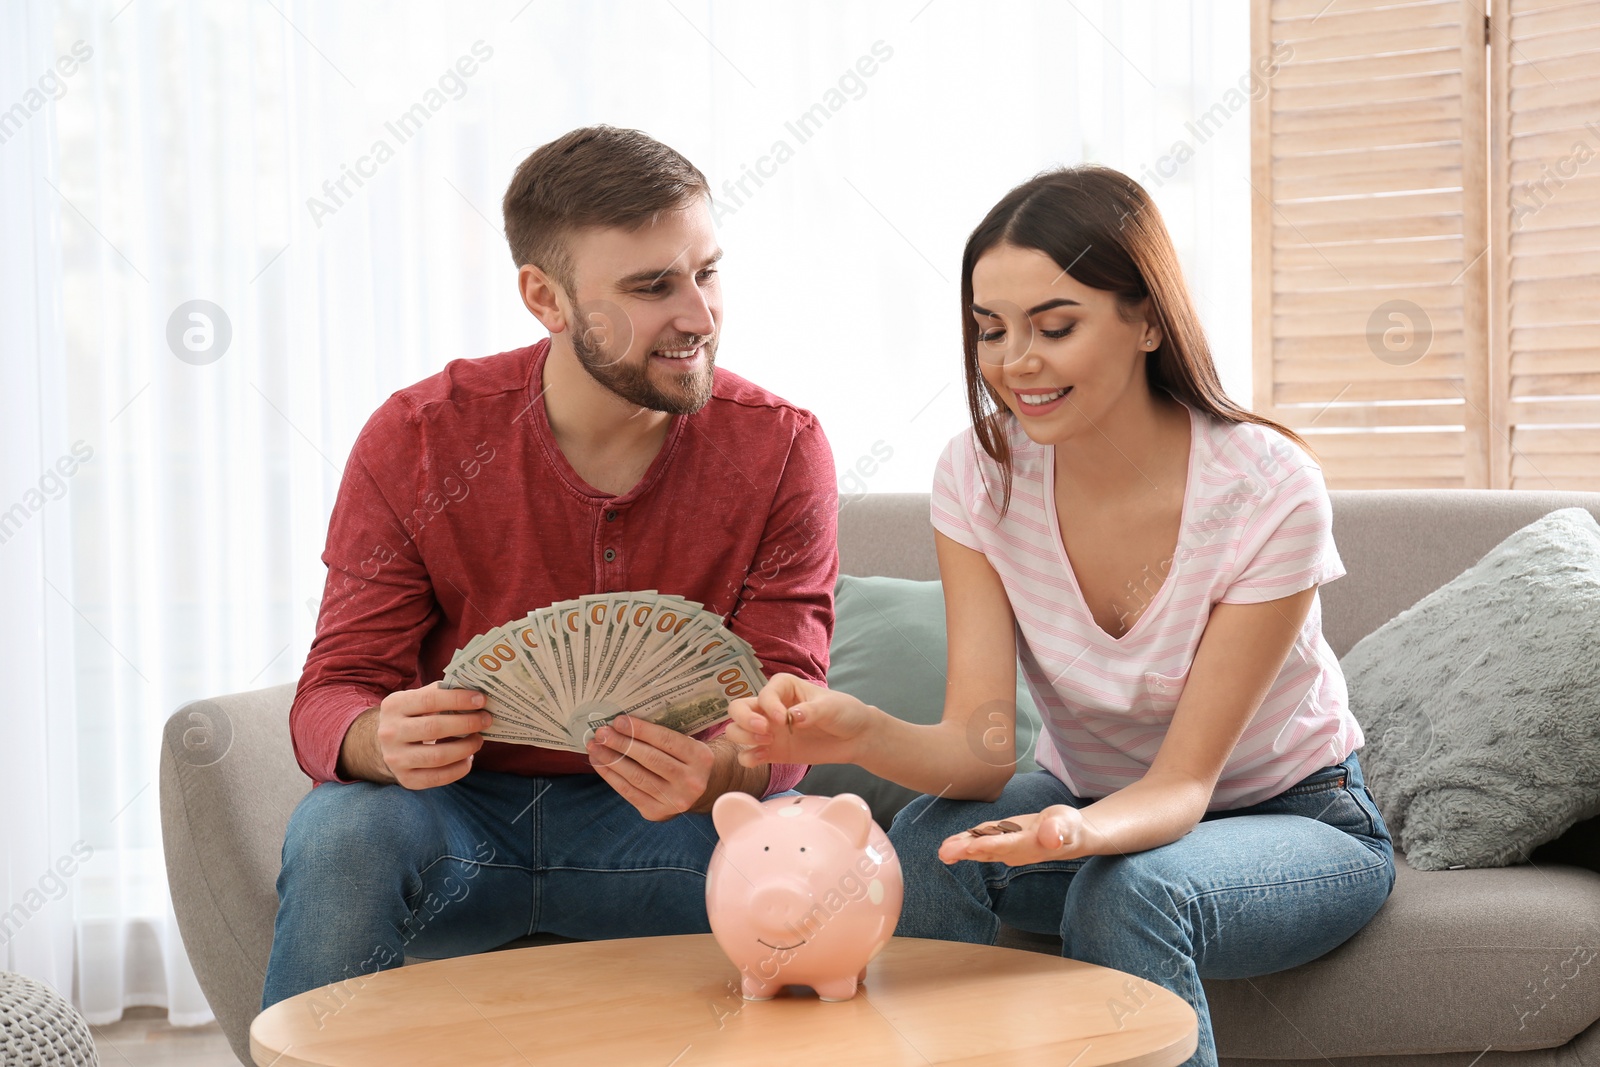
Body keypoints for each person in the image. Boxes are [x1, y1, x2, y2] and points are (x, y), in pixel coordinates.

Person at [726, 165, 1393, 1067]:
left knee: (1128, 891)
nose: (1014, 362)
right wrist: (864, 730)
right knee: (926, 841)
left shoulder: (1269, 488)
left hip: (1296, 818)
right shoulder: (979, 475)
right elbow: (981, 747)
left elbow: (1182, 788)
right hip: (1082, 805)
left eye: (1056, 325)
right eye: (991, 330)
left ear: (1148, 319)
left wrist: (1079, 834)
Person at [263, 126, 837, 1011]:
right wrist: (376, 738)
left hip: (666, 834)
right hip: (457, 819)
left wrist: (718, 771)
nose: (699, 314)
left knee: (796, 856)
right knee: (342, 828)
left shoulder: (782, 447)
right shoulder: (416, 439)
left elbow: (788, 702)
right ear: (546, 298)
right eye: (652, 286)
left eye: (707, 271)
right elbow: (333, 689)